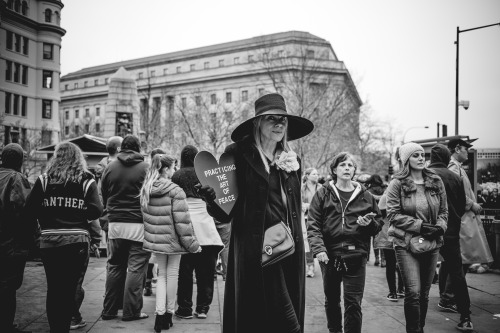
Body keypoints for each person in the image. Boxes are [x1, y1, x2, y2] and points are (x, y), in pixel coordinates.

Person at [198, 93, 313, 333]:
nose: (279, 124)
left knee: (287, 314)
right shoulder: (238, 153)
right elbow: (226, 212)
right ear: (257, 123)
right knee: (270, 318)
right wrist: (211, 199)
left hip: (289, 248)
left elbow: (293, 207)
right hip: (256, 250)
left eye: (283, 119)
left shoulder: (293, 161)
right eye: (272, 118)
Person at [25, 142, 103, 333]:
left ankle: (55, 329)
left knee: (54, 289)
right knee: (69, 289)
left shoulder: (44, 180)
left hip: (50, 241)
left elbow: (29, 209)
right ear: (79, 159)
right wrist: (79, 211)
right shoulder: (87, 180)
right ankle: (65, 327)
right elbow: (97, 210)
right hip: (76, 241)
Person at [308, 152, 383, 333]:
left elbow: (378, 225)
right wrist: (319, 249)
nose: (347, 168)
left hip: (356, 254)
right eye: (343, 165)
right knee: (332, 301)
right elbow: (313, 224)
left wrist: (369, 224)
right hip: (329, 255)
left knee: (353, 303)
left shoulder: (366, 196)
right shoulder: (322, 194)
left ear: (354, 170)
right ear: (334, 169)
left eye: (350, 165)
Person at [386, 142, 448, 333]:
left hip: (431, 243)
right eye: (416, 155)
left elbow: (444, 211)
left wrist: (439, 227)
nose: (421, 158)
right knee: (413, 292)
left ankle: (419, 327)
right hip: (405, 243)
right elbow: (393, 214)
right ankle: (414, 330)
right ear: (406, 160)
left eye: (422, 155)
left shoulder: (435, 181)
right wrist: (421, 226)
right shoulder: (397, 183)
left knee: (424, 294)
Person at [140, 153, 201, 332]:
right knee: (172, 274)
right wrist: (193, 245)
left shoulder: (146, 189)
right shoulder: (175, 191)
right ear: (166, 169)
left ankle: (159, 318)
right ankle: (168, 314)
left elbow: (146, 218)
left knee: (162, 275)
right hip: (174, 241)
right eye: (173, 167)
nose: (174, 170)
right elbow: (183, 223)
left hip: (156, 240)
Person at [101, 135, 151, 321]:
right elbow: (151, 195)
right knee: (136, 269)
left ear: (122, 148)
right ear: (138, 148)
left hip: (115, 224)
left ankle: (109, 310)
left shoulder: (110, 167)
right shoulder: (146, 168)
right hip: (139, 224)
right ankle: (132, 312)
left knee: (114, 266)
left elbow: (103, 195)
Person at [172, 145, 224, 320]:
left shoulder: (176, 175)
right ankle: (202, 308)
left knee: (184, 272)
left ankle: (185, 308)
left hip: (185, 227)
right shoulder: (203, 173)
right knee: (206, 273)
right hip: (206, 226)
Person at [428, 144, 473, 331]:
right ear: (447, 157)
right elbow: (463, 205)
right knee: (457, 274)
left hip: (427, 231)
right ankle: (465, 317)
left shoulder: (425, 175)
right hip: (451, 232)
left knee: (423, 274)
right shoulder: (455, 177)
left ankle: (417, 320)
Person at [0, 143, 36, 333]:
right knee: (7, 287)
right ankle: (6, 325)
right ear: (20, 160)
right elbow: (25, 212)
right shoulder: (16, 179)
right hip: (9, 244)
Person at [144, 148, 166, 297]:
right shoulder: (166, 178)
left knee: (150, 256)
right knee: (160, 256)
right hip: (163, 221)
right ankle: (158, 284)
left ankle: (147, 283)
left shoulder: (146, 176)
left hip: (149, 221)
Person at [374, 192, 404, 301]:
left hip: (388, 233)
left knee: (391, 264)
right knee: (402, 263)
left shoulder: (386, 196)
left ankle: (393, 292)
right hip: (401, 233)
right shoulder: (405, 194)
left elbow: (379, 214)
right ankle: (400, 289)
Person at [95, 136, 123, 241]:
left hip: (107, 217)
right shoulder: (120, 168)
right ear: (119, 149)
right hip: (120, 216)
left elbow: (99, 196)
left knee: (112, 252)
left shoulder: (102, 167)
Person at [301, 167, 321, 277]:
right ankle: (310, 267)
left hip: (319, 219)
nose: (316, 176)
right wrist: (303, 205)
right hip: (306, 219)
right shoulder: (302, 188)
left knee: (318, 241)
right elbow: (297, 202)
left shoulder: (321, 188)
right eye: (314, 174)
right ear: (307, 176)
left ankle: (322, 264)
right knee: (307, 243)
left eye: (317, 174)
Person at [366, 174, 386, 267]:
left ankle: (376, 258)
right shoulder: (384, 190)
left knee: (372, 238)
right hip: (383, 217)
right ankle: (383, 259)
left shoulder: (368, 191)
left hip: (371, 216)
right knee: (381, 238)